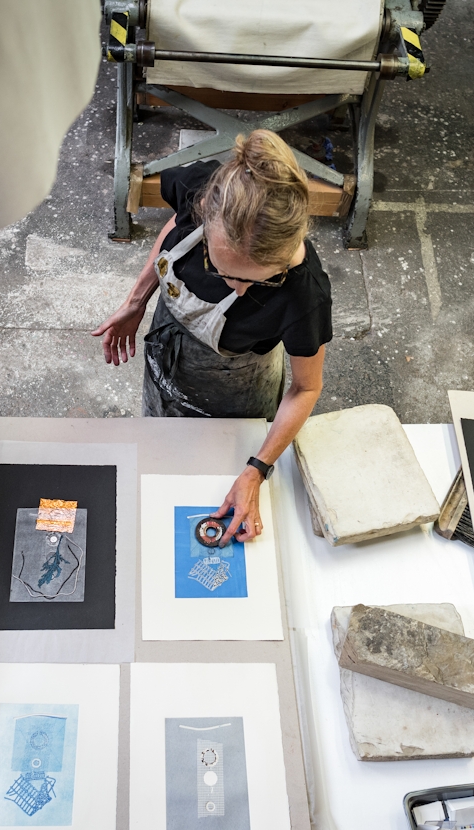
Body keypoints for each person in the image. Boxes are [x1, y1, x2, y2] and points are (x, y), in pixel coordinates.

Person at [92, 130, 332, 546]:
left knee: (210, 472)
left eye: (260, 282)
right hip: (169, 353)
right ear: (205, 212)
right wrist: (137, 300)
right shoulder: (203, 187)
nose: (238, 292)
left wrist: (256, 469)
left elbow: (306, 387)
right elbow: (173, 229)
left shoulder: (304, 295)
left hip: (239, 385)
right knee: (162, 460)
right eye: (225, 272)